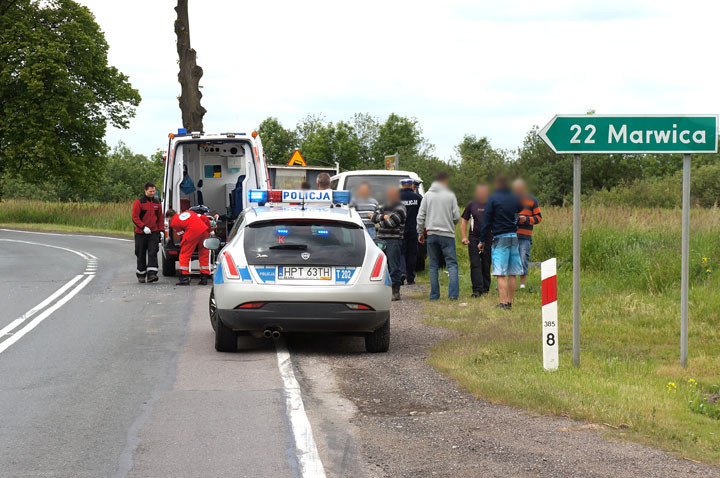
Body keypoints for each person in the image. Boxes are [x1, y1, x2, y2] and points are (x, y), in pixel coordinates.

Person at [477, 175, 523, 309]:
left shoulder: (493, 198)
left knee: (500, 273)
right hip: (513, 237)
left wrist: (481, 240)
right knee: (512, 272)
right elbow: (520, 208)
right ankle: (509, 302)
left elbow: (486, 221)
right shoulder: (514, 197)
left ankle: (503, 303)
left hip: (499, 237)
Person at [416, 171, 460, 300]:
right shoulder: (450, 195)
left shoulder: (428, 195)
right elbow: (457, 216)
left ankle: (434, 295)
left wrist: (420, 232)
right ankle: (453, 295)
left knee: (433, 265)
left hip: (432, 234)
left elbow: (420, 216)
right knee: (451, 264)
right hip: (447, 234)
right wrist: (451, 224)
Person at [371, 187, 407, 301]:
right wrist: (383, 217)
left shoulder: (400, 208)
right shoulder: (382, 205)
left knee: (394, 267)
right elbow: (372, 217)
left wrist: (380, 220)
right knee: (381, 267)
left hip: (393, 240)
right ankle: (382, 291)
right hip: (381, 240)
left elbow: (391, 223)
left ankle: (395, 291)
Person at [166, 208, 213, 286]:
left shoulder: (174, 222)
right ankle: (204, 278)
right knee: (204, 253)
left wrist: (186, 244)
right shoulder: (189, 212)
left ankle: (184, 278)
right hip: (203, 230)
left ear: (169, 218)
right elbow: (205, 218)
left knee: (184, 254)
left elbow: (181, 234)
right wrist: (210, 230)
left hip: (192, 232)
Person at [461, 183, 492, 297]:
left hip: (489, 238)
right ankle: (477, 290)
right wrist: (464, 237)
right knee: (475, 263)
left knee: (486, 263)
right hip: (473, 238)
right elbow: (464, 221)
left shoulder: (491, 204)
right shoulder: (471, 204)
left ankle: (485, 288)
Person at [512, 179, 542, 289]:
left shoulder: (532, 200)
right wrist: (516, 219)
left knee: (523, 258)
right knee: (511, 259)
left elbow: (539, 218)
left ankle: (522, 284)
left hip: (525, 236)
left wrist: (527, 219)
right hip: (511, 235)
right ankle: (512, 283)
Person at [131, 182, 163, 283]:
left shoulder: (157, 203)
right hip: (141, 233)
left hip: (153, 232)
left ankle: (152, 274)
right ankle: (141, 274)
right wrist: (143, 227)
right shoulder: (139, 203)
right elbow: (135, 217)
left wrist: (161, 230)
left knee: (153, 252)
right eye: (150, 191)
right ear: (145, 191)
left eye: (154, 191)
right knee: (140, 253)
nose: (152, 193)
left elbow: (160, 218)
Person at [399, 178, 422, 285]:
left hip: (400, 228)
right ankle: (410, 277)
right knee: (412, 253)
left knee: (401, 252)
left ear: (402, 185)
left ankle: (402, 272)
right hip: (414, 228)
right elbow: (422, 213)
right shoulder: (418, 198)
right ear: (411, 185)